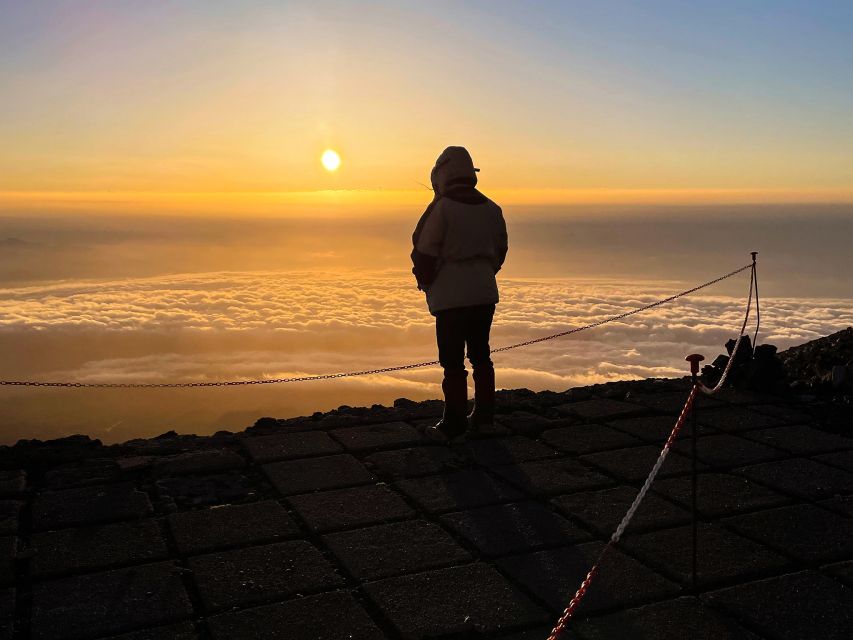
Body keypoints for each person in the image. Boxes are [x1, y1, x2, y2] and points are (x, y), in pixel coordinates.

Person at [411, 146, 508, 442]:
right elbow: (500, 251)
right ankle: (485, 418)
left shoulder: (441, 208)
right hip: (484, 292)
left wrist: (426, 283)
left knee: (452, 361)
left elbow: (423, 253)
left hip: (450, 297)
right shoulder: (492, 208)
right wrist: (483, 274)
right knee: (481, 356)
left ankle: (453, 423)